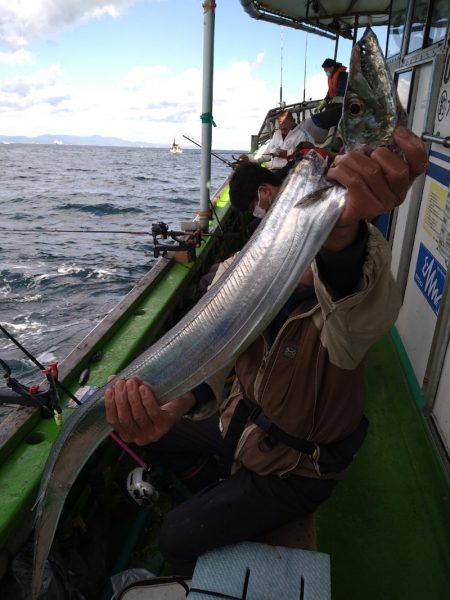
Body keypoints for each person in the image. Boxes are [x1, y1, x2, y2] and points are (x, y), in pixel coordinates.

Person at [104, 127, 428, 576]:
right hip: (238, 425)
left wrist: (341, 241)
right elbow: (216, 355)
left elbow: (362, 322)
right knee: (122, 434)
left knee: (174, 536)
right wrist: (178, 403)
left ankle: (228, 498)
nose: (277, 218)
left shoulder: (355, 278)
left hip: (298, 468)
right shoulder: (242, 270)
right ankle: (218, 484)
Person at [239, 110, 314, 170]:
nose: (282, 126)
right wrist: (248, 158)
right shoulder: (276, 134)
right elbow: (264, 155)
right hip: (271, 170)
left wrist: (287, 155)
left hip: (289, 173)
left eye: (286, 122)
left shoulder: (303, 135)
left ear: (293, 121)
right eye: (280, 123)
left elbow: (309, 158)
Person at [302, 58, 348, 145]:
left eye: (326, 70)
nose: (325, 72)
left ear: (331, 67)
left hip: (342, 107)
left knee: (326, 116)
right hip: (335, 105)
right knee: (324, 113)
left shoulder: (343, 75)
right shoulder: (332, 77)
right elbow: (330, 93)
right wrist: (323, 104)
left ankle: (338, 140)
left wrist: (330, 107)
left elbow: (341, 92)